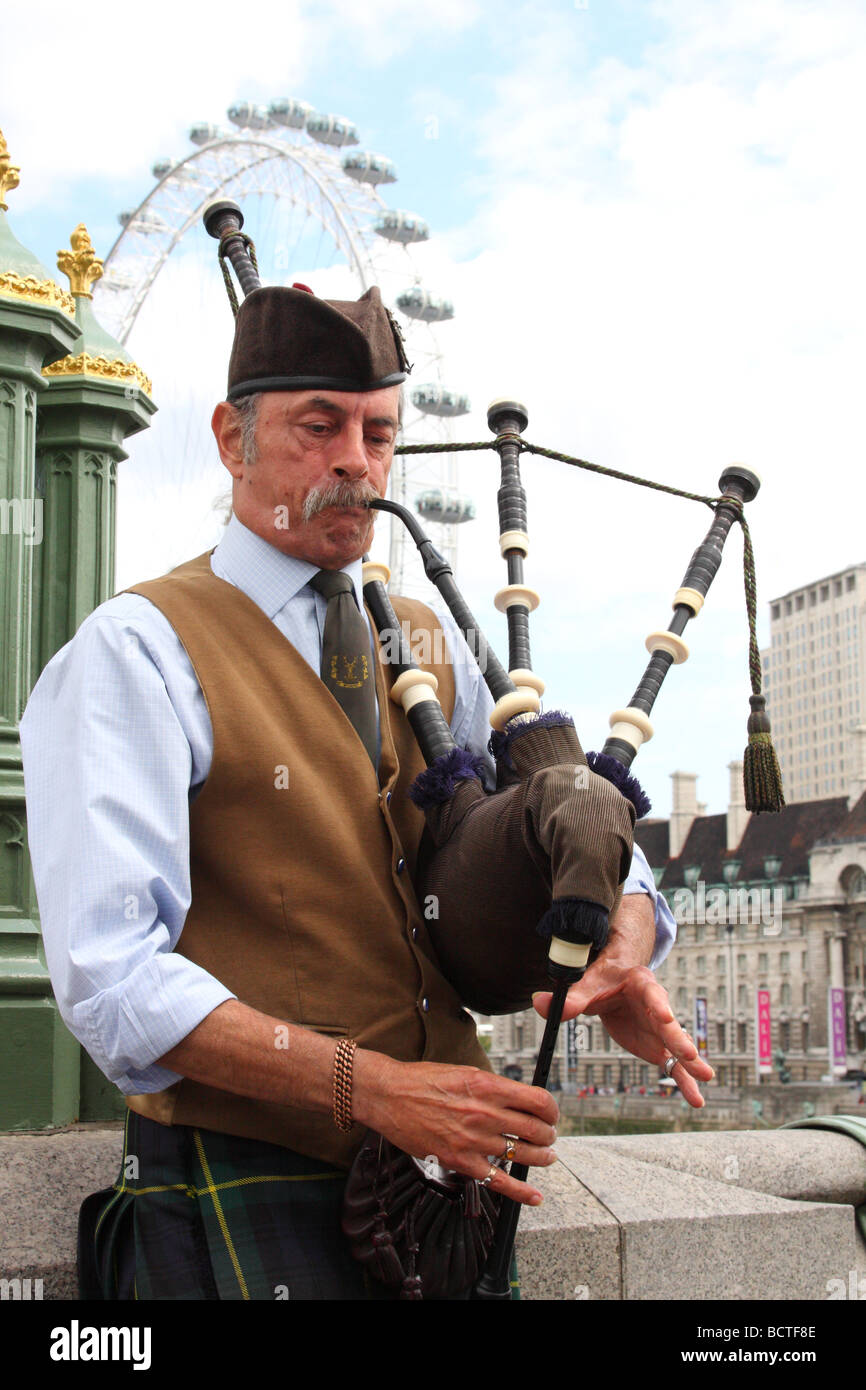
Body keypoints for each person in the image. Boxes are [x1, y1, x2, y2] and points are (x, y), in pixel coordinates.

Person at [20, 281, 712, 1300]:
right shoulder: (139, 649)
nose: (356, 459)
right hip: (249, 1175)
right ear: (230, 438)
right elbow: (113, 977)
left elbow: (554, 806)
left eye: (379, 431)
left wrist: (623, 930)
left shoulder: (431, 639)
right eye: (319, 425)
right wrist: (374, 1088)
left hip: (441, 1193)